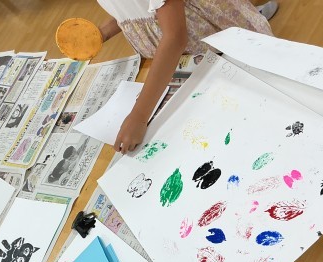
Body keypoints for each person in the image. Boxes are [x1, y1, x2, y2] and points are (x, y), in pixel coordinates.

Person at [96, 0, 278, 153]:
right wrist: (103, 32)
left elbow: (175, 37)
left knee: (258, 99)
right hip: (176, 52)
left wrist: (139, 116)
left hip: (204, 37)